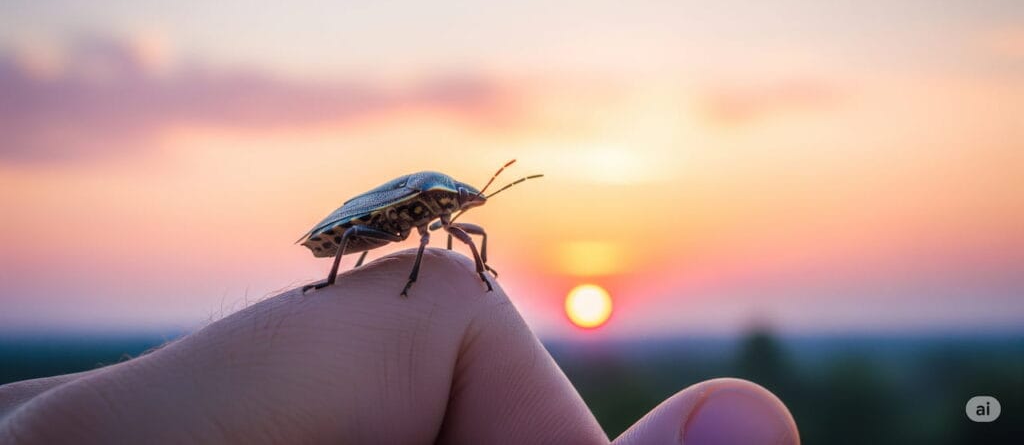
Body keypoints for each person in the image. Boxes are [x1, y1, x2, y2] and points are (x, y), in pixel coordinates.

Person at [0, 249, 799, 444]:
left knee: (451, 269)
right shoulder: (423, 224)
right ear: (442, 203)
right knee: (440, 268)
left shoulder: (449, 243)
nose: (466, 212)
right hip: (354, 236)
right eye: (460, 205)